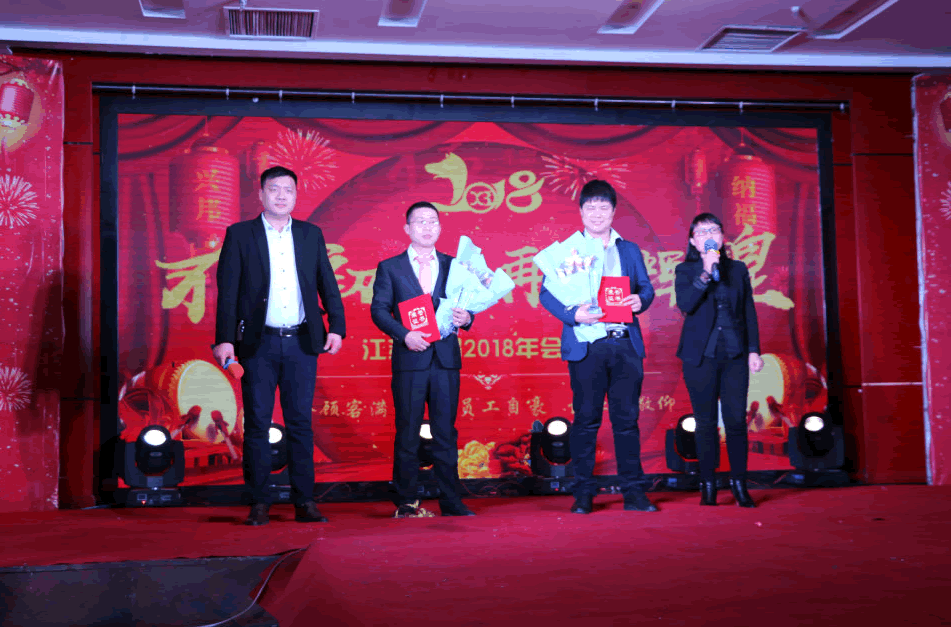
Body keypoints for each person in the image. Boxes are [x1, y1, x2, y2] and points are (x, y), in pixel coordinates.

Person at [213, 165, 345, 526]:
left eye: (288, 190)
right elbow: (228, 291)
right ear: (261, 194)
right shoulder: (240, 234)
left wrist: (337, 326)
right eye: (274, 189)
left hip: (302, 341)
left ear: (296, 195)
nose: (281, 195)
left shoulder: (309, 234)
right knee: (257, 423)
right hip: (258, 343)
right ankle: (259, 502)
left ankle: (305, 502)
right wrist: (225, 339)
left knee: (301, 422)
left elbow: (327, 282)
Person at [539, 180, 656, 515]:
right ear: (581, 212)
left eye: (604, 207)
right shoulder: (568, 251)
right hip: (587, 346)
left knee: (627, 421)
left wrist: (640, 300)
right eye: (590, 207)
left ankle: (634, 493)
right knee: (586, 421)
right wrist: (572, 314)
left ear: (614, 212)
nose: (597, 213)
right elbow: (547, 293)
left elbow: (646, 288)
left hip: (624, 343)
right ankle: (583, 493)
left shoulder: (629, 250)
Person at [370, 201, 476, 518]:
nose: (427, 227)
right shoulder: (391, 267)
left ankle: (451, 501)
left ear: (440, 228)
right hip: (410, 359)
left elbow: (468, 305)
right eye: (420, 221)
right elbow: (379, 310)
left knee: (445, 432)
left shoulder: (455, 265)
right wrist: (404, 335)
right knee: (407, 431)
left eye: (432, 221)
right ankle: (406, 501)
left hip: (445, 360)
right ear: (407, 228)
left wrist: (467, 317)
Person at [674, 213, 764, 508]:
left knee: (736, 421)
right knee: (706, 423)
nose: (708, 235)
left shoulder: (737, 269)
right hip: (700, 357)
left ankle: (739, 484)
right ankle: (708, 484)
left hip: (735, 355)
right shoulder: (685, 270)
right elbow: (686, 304)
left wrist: (754, 350)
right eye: (701, 232)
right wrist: (705, 271)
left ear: (722, 237)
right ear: (692, 241)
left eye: (713, 230)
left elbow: (748, 310)